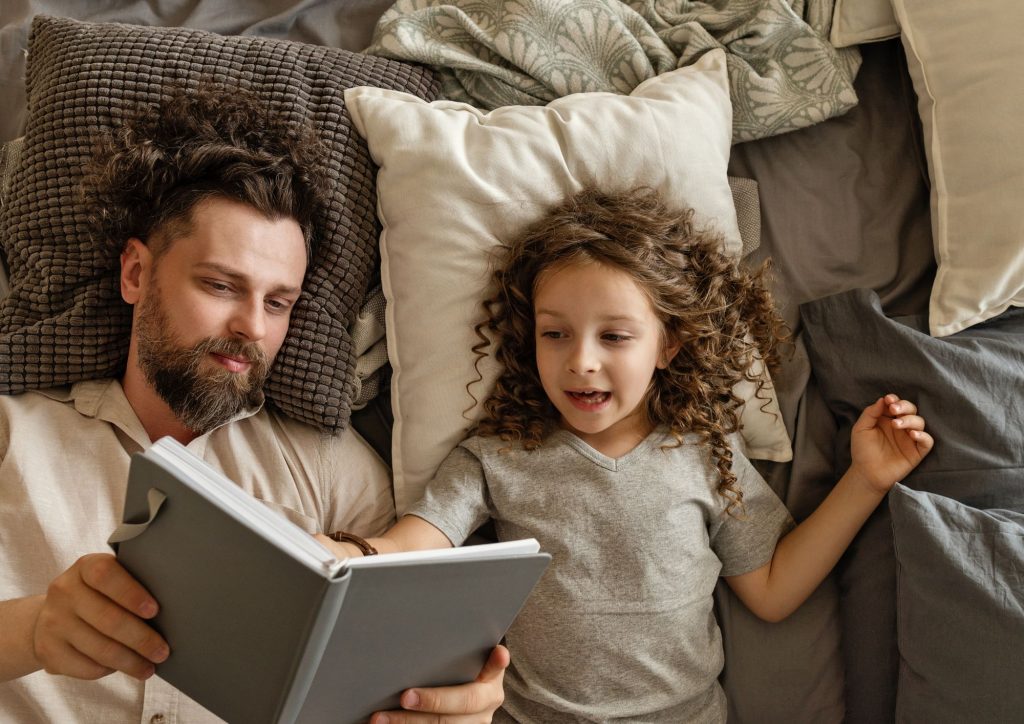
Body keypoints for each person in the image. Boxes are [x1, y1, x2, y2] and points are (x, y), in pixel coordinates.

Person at [321, 186, 935, 722]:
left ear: (667, 345)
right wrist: (340, 553)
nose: (581, 360)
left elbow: (773, 590)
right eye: (554, 333)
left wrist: (866, 481)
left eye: (614, 336)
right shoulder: (497, 457)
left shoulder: (705, 454)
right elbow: (410, 546)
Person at [0, 86, 507, 723]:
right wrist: (33, 630)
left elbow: (406, 667)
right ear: (135, 273)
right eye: (219, 285)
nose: (253, 328)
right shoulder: (13, 438)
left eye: (278, 303)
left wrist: (454, 709)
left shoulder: (331, 469)